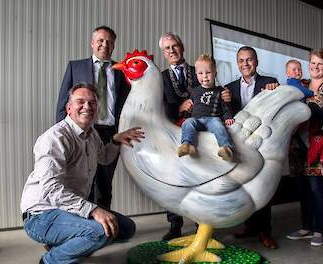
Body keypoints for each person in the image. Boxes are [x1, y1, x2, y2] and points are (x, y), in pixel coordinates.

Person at [21, 83, 145, 264]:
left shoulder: (91, 133)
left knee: (126, 228)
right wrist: (93, 209)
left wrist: (116, 140)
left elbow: (103, 157)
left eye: (92, 102)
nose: (87, 106)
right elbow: (51, 190)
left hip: (69, 209)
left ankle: (66, 240)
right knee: (101, 231)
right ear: (69, 108)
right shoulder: (55, 138)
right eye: (80, 101)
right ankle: (50, 260)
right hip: (41, 215)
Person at [55, 25, 130, 209]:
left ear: (113, 46)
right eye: (101, 40)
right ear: (92, 43)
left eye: (109, 42)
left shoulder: (121, 71)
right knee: (82, 181)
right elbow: (63, 102)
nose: (105, 44)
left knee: (105, 183)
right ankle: (84, 223)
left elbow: (128, 104)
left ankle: (104, 226)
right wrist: (63, 133)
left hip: (110, 133)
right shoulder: (76, 67)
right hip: (83, 132)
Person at [226, 46, 280, 249]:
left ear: (256, 62)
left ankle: (265, 231)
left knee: (262, 188)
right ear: (237, 63)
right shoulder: (228, 88)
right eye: (241, 60)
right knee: (245, 187)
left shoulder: (269, 83)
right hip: (240, 146)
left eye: (249, 60)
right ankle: (250, 226)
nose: (245, 64)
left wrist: (276, 91)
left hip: (262, 145)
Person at [286, 48, 323, 247]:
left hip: (317, 144)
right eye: (313, 63)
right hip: (297, 144)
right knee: (302, 188)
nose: (316, 67)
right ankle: (306, 227)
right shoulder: (303, 85)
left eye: (320, 63)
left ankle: (318, 230)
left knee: (317, 187)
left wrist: (311, 107)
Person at [159, 32, 200, 241]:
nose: (172, 51)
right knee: (173, 178)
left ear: (182, 47)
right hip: (172, 133)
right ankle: (175, 225)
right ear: (164, 53)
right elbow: (160, 105)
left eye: (175, 46)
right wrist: (178, 108)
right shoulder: (161, 77)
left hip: (200, 132)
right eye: (167, 48)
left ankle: (201, 223)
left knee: (200, 175)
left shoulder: (198, 70)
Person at [178, 54, 235, 161]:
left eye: (208, 72)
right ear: (196, 75)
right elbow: (190, 107)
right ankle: (186, 144)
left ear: (215, 73)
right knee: (188, 123)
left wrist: (228, 117)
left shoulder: (221, 91)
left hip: (212, 119)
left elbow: (225, 107)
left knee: (219, 125)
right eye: (200, 73)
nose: (204, 76)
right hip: (196, 119)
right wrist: (186, 116)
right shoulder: (194, 91)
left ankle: (226, 148)